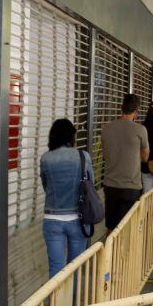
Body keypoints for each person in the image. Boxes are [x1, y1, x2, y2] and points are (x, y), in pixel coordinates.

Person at [39, 119, 93, 278]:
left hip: (52, 219)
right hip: (78, 219)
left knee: (56, 269)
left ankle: (57, 303)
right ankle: (73, 303)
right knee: (74, 269)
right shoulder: (83, 156)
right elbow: (91, 185)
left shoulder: (46, 158)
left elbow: (46, 185)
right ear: (72, 136)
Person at [101, 93, 150, 230]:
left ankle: (110, 252)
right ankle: (125, 252)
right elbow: (146, 157)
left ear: (121, 108)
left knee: (111, 227)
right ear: (136, 111)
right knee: (127, 228)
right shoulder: (140, 130)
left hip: (110, 185)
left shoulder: (106, 128)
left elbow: (106, 155)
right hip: (131, 187)